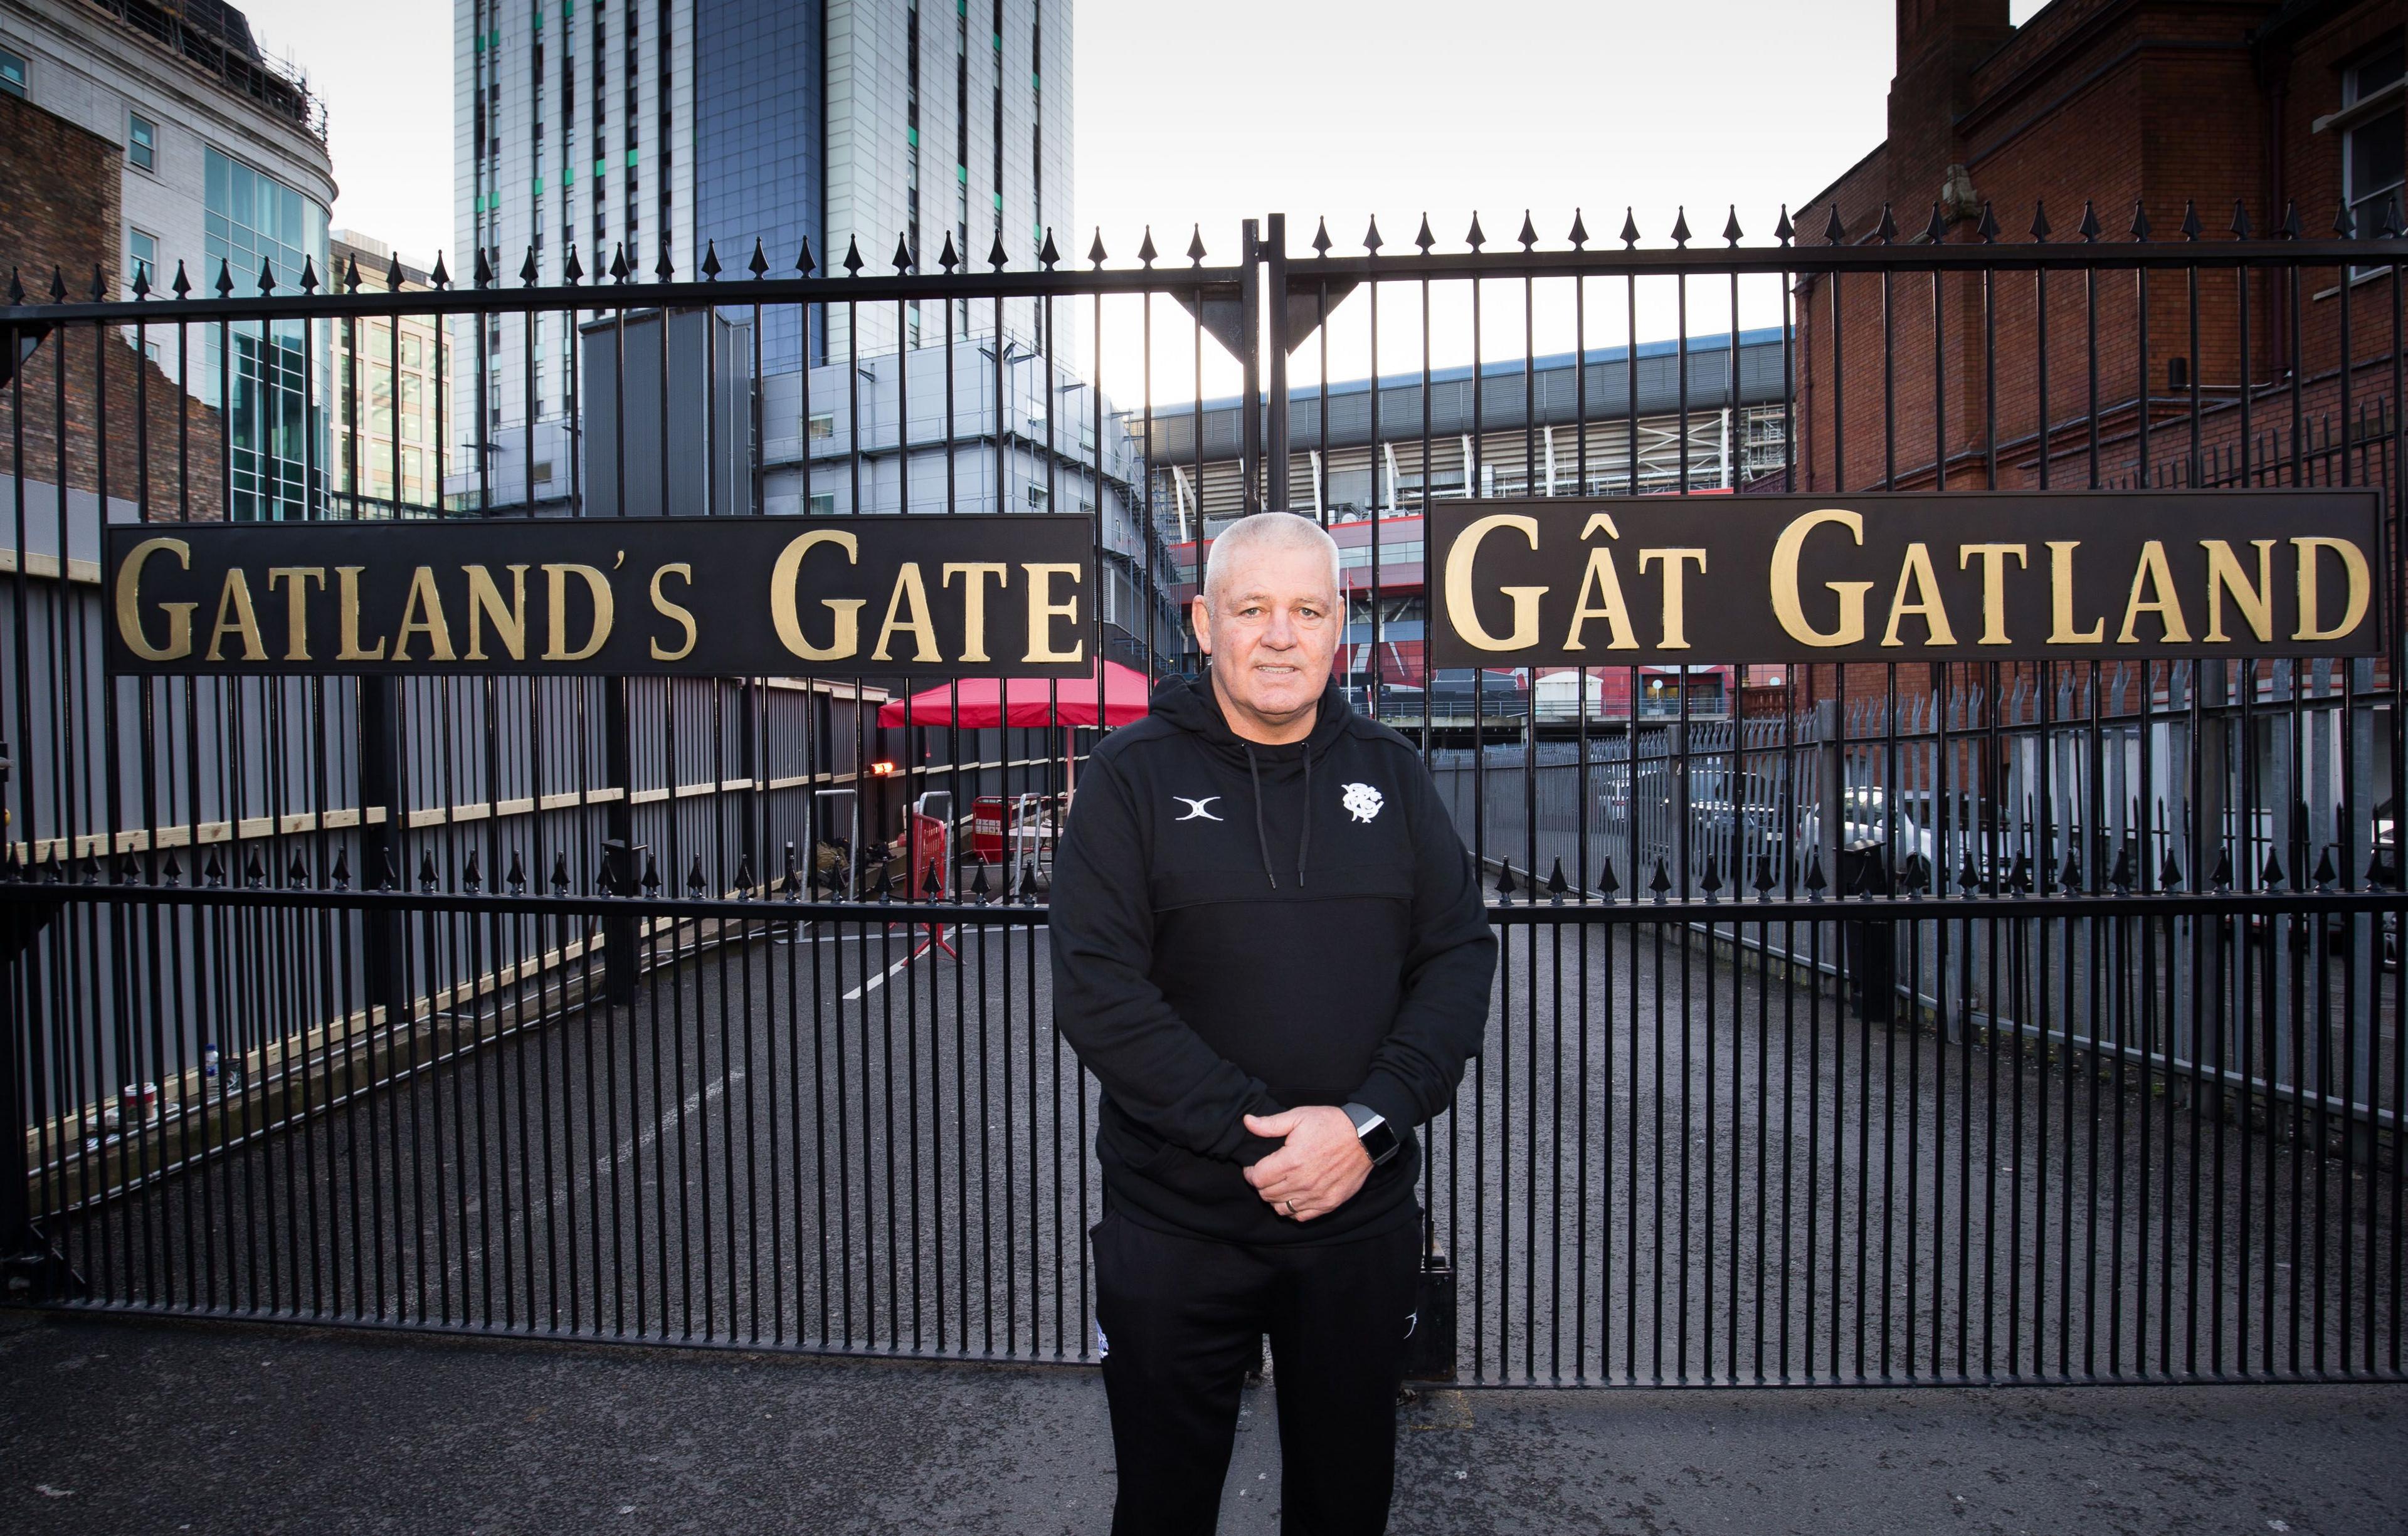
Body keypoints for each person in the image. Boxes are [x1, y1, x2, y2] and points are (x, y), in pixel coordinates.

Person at [1050, 510, 1497, 1535]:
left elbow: (1458, 956)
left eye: (1307, 609)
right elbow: (1098, 989)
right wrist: (1262, 1134)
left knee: (1345, 1508)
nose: (1282, 634)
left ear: (1340, 627)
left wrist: (1363, 1125)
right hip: (1177, 1227)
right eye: (1254, 608)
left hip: (1359, 1220)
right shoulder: (1128, 778)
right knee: (1162, 1509)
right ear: (1205, 622)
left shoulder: (1392, 771)